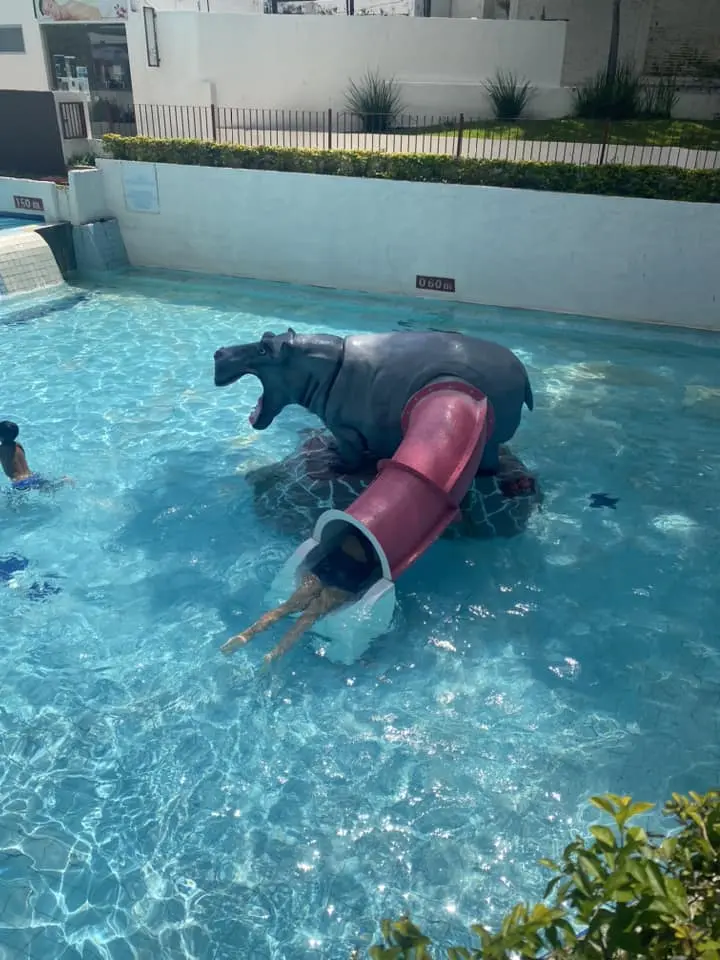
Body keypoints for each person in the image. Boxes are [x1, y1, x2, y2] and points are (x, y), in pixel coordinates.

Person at [221, 530, 381, 665]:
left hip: (328, 566)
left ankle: (246, 634)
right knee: (307, 618)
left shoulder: (348, 532)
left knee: (287, 607)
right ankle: (276, 653)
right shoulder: (379, 540)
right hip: (351, 576)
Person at [0, 421, 71, 492]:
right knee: (47, 488)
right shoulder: (18, 445)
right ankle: (63, 480)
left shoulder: (1, 449)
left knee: (10, 498)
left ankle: (63, 481)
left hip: (20, 482)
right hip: (32, 476)